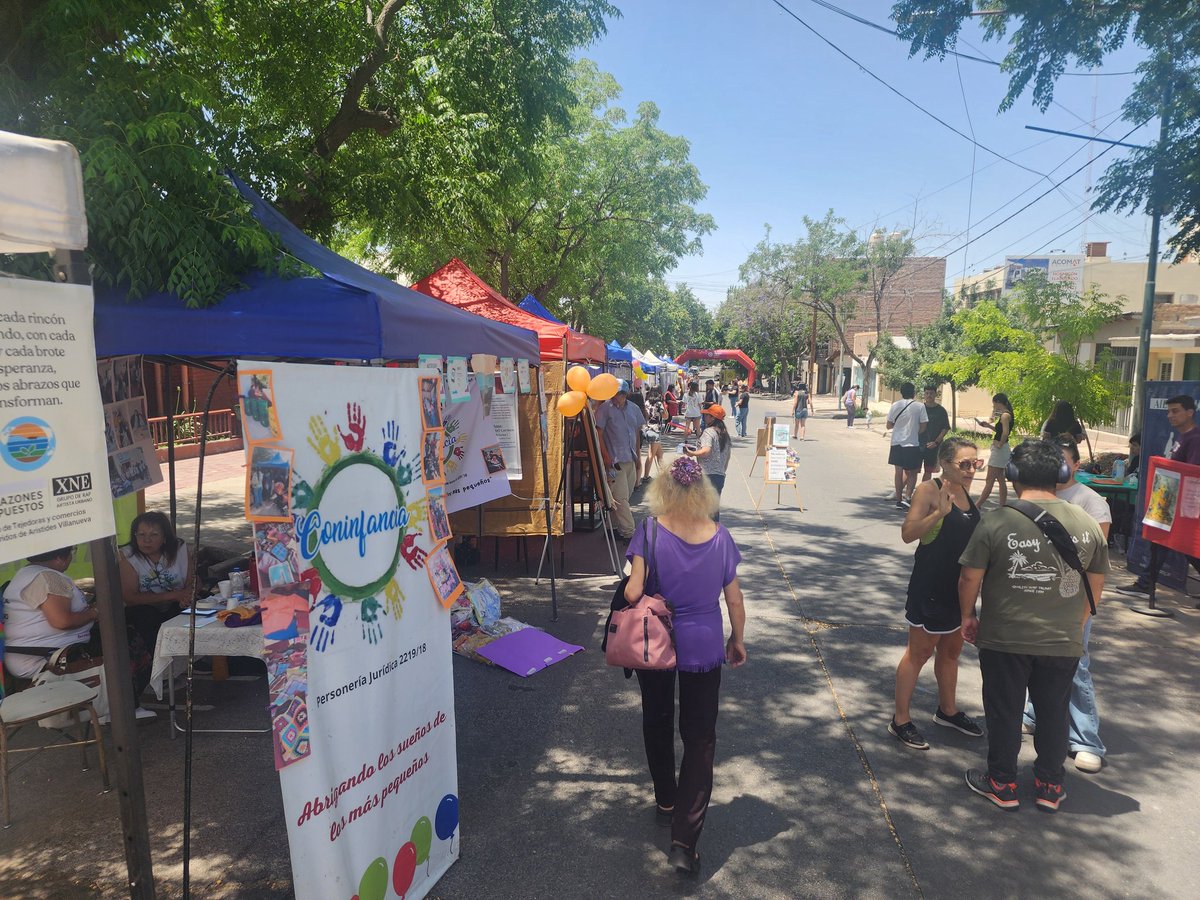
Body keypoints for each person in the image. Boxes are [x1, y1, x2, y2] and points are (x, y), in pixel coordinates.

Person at [958, 439, 1108, 812]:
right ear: (1060, 474)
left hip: (1005, 637)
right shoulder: (1088, 523)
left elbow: (969, 579)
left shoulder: (997, 520)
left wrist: (968, 616)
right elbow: (1095, 589)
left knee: (1005, 711)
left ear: (1012, 474)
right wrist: (1074, 624)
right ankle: (1049, 786)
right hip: (1063, 641)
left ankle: (1003, 783)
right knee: (1054, 711)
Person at [624, 456, 746, 875]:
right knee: (699, 738)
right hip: (704, 644)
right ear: (702, 495)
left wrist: (631, 581)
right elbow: (733, 599)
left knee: (656, 718)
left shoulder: (649, 531)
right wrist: (738, 638)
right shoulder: (720, 535)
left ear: (663, 491)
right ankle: (684, 841)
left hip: (654, 642)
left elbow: (634, 590)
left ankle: (665, 797)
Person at [890, 437, 985, 751]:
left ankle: (948, 710)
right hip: (930, 587)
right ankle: (900, 720)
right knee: (918, 654)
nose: (972, 470)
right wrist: (938, 514)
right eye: (965, 464)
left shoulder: (967, 495)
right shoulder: (929, 491)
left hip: (959, 591)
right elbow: (907, 533)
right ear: (945, 463)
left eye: (976, 463)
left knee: (950, 653)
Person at [1022, 438, 1110, 774]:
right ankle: (1032, 713)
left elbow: (1095, 566)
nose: (1057, 466)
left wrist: (1085, 611)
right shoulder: (1037, 496)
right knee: (1034, 658)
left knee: (1077, 666)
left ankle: (1086, 740)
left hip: (1073, 603)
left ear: (1075, 464)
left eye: (1063, 460)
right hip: (1036, 596)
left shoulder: (1092, 503)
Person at [4, 546, 155, 719]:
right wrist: (96, 612)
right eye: (72, 553)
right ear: (60, 558)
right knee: (126, 641)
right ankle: (119, 710)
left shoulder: (26, 575)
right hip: (48, 657)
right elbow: (62, 621)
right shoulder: (48, 578)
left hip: (27, 654)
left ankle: (111, 704)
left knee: (120, 635)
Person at [1114, 395, 1200, 599]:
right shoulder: (1183, 436)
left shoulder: (1195, 439)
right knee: (1161, 543)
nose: (1171, 415)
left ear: (1190, 412)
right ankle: (1145, 584)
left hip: (1182, 506)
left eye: (1176, 411)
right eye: (1169, 411)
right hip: (1169, 501)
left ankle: (1145, 584)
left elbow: (1193, 474)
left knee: (1188, 549)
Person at [118, 511, 196, 655]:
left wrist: (187, 596)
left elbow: (193, 580)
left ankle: (196, 657)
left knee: (198, 610)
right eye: (141, 535)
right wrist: (173, 595)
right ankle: (158, 665)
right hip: (144, 608)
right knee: (147, 616)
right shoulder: (127, 555)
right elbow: (130, 597)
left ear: (165, 537)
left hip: (177, 603)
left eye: (154, 535)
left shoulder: (178, 548)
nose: (146, 540)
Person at [595, 380, 646, 541]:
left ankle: (616, 528)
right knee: (621, 498)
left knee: (625, 496)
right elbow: (599, 434)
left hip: (630, 458)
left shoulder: (634, 408)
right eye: (617, 393)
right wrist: (605, 456)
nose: (620, 397)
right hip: (614, 461)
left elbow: (636, 433)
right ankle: (630, 532)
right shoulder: (604, 409)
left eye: (622, 393)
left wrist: (638, 456)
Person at [684, 404, 732, 520]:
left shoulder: (709, 432)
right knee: (713, 511)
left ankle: (702, 536)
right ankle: (715, 535)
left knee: (701, 510)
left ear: (712, 418)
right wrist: (722, 470)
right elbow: (728, 456)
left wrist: (692, 453)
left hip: (707, 475)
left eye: (707, 415)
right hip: (719, 476)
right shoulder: (724, 434)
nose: (704, 417)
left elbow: (706, 450)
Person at [886, 382, 928, 509]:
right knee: (913, 472)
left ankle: (898, 499)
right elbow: (923, 425)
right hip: (912, 443)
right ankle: (908, 498)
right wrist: (914, 431)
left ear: (901, 392)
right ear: (914, 393)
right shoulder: (920, 406)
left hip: (896, 442)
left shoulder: (895, 405)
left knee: (898, 472)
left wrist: (898, 426)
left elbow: (888, 425)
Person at [974, 393, 1014, 507]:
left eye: (994, 404)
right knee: (1000, 479)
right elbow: (1000, 430)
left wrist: (1000, 443)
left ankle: (977, 504)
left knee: (990, 478)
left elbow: (1005, 432)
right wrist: (988, 426)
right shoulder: (1005, 415)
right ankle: (1002, 505)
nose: (994, 407)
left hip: (1000, 450)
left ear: (997, 402)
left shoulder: (1005, 415)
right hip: (1002, 449)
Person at [919, 386, 951, 483]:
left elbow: (945, 428)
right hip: (918, 444)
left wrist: (936, 442)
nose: (929, 395)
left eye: (931, 393)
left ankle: (922, 492)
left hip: (933, 446)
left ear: (935, 394)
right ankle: (901, 492)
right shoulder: (919, 408)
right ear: (924, 394)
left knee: (928, 471)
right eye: (927, 393)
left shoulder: (941, 411)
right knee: (911, 470)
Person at [642, 389, 666, 484]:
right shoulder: (659, 404)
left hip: (648, 429)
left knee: (660, 454)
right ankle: (646, 476)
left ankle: (663, 474)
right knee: (651, 454)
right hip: (656, 430)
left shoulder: (647, 403)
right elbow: (665, 416)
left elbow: (646, 416)